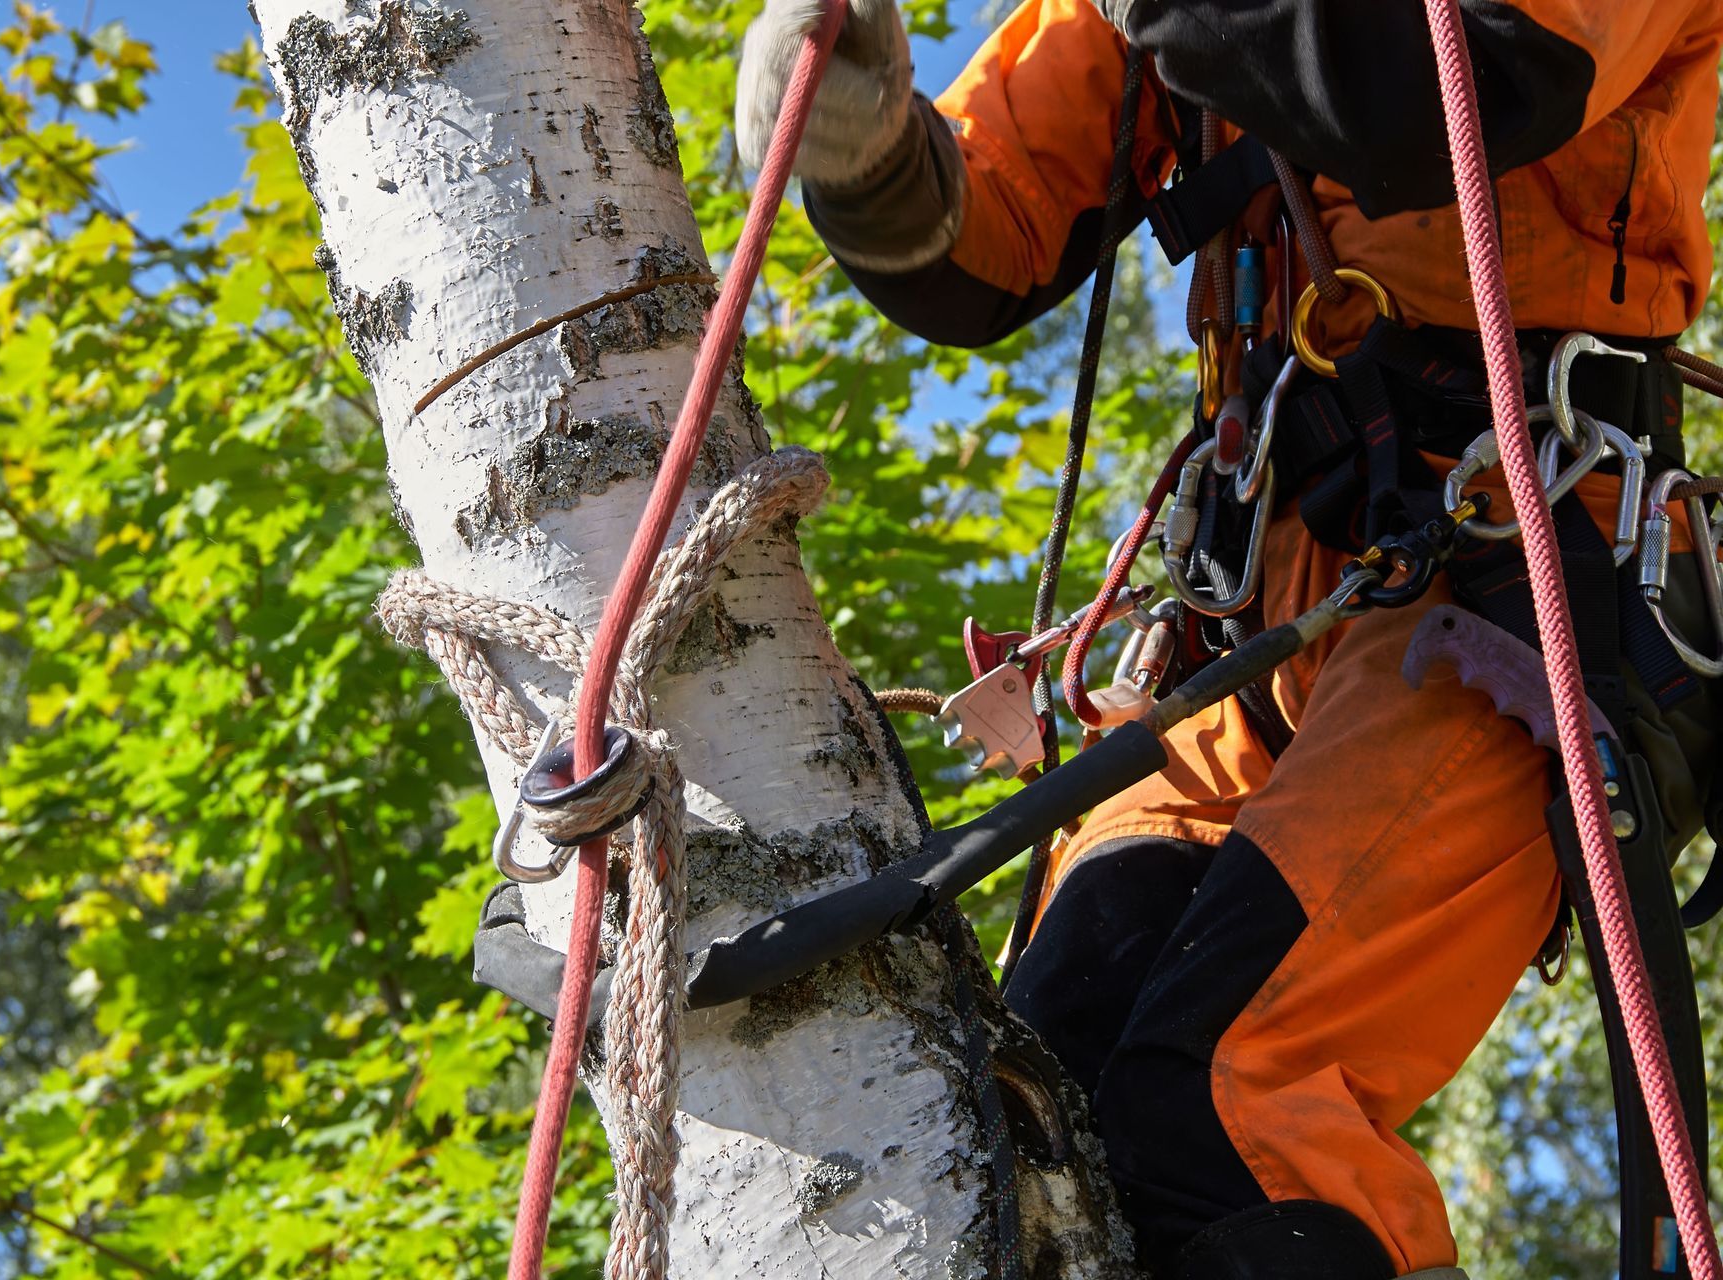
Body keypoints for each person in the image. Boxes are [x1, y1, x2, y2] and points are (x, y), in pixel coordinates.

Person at [736, 1, 1723, 1276]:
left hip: (1506, 581)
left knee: (1229, 1100)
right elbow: (991, 231)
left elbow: (1441, 88)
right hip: (1257, 621)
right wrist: (867, 147)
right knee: (1038, 1104)